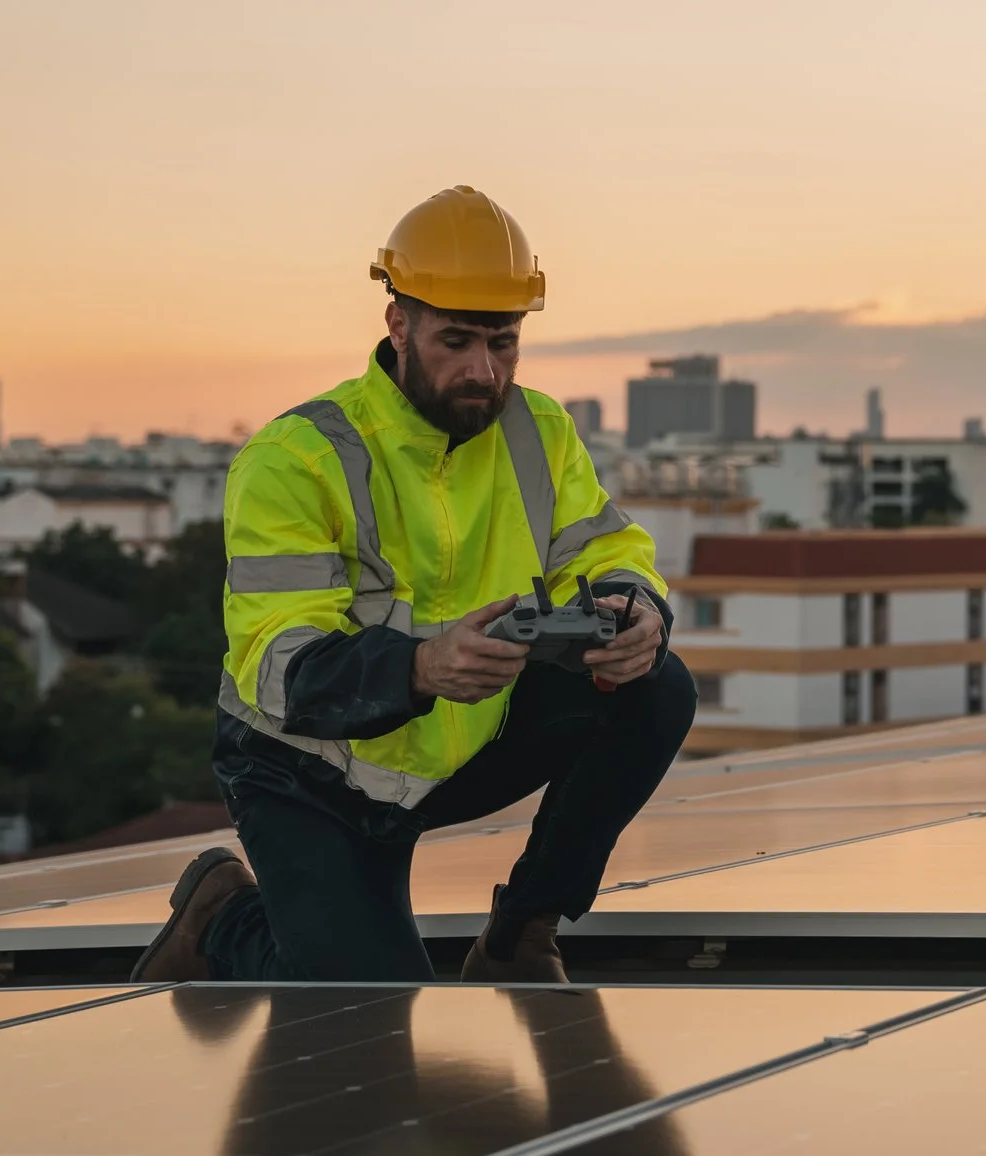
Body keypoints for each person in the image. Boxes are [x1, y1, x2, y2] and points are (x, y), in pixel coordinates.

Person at [134, 186, 695, 984]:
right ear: (398, 324)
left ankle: (521, 936)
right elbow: (276, 665)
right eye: (455, 341)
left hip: (452, 746)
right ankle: (224, 917)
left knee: (657, 685)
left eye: (502, 343)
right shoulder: (295, 458)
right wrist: (420, 667)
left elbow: (607, 547)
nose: (482, 371)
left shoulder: (539, 430)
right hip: (311, 771)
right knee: (374, 1006)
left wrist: (634, 609)